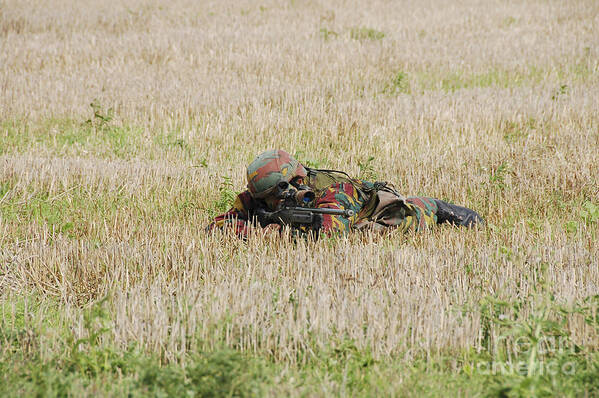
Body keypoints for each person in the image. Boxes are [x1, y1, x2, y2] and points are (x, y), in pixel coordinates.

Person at [207, 149, 483, 238]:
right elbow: (217, 225)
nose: (274, 202)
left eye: (274, 196)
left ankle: (434, 206)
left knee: (383, 228)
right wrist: (262, 227)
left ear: (297, 180)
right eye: (266, 199)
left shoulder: (334, 190)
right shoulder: (255, 198)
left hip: (365, 208)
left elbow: (331, 233)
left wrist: (275, 233)